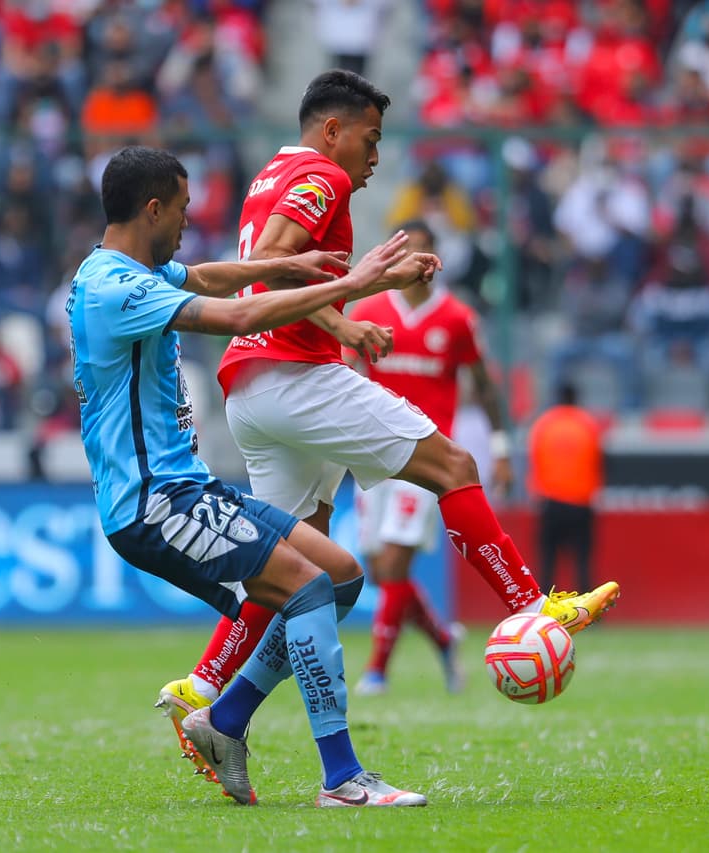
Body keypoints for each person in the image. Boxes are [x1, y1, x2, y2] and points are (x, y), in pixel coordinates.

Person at [156, 70, 620, 782]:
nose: (375, 160)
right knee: (453, 467)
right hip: (295, 376)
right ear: (334, 130)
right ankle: (536, 607)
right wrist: (343, 317)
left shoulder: (271, 170)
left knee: (290, 571)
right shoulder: (321, 176)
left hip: (250, 385)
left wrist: (338, 318)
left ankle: (211, 698)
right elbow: (279, 259)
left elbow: (265, 265)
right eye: (370, 141)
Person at [71, 145, 437, 807]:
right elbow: (236, 315)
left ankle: (226, 719)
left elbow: (211, 277)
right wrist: (354, 288)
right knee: (303, 587)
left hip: (186, 489)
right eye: (181, 210)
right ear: (152, 209)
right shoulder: (115, 287)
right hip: (154, 500)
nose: (187, 221)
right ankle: (342, 777)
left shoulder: (127, 270)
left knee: (340, 575)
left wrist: (284, 265)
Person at [344, 220, 513, 696]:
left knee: (395, 565)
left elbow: (484, 385)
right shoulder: (372, 309)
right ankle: (441, 638)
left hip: (424, 454)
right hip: (368, 452)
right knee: (380, 572)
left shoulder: (457, 318)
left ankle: (376, 671)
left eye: (426, 250)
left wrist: (501, 448)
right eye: (408, 250)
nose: (417, 260)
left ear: (437, 260)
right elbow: (343, 371)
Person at [525, 383, 604, 594]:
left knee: (548, 561)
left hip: (551, 501)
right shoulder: (588, 424)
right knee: (583, 561)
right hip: (581, 501)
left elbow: (535, 460)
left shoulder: (544, 425)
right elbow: (598, 460)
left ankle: (542, 606)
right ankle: (589, 611)